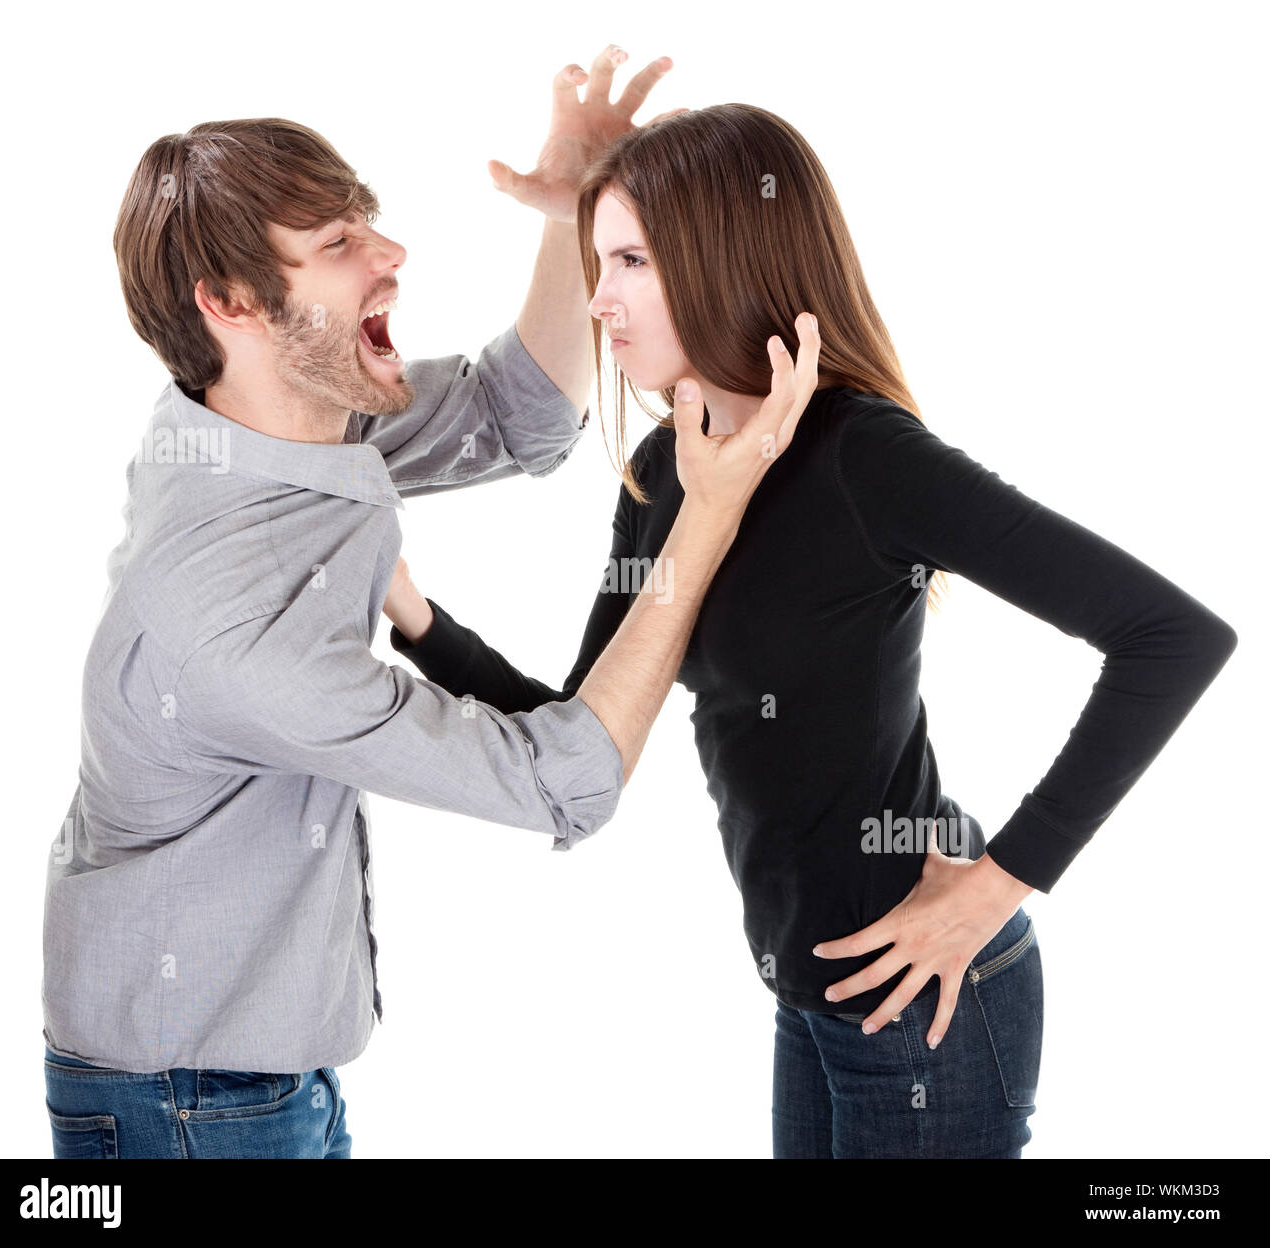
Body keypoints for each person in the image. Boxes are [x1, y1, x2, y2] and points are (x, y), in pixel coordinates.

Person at [382, 102, 1239, 1159]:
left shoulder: (863, 456)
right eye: (595, 261)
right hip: (808, 994)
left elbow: (1171, 637)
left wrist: (1000, 882)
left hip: (925, 997)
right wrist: (411, 613)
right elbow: (579, 731)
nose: (599, 300)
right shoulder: (665, 475)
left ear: (727, 256)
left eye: (630, 261)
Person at [42, 51, 823, 1160]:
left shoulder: (268, 423)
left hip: (253, 1072)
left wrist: (566, 213)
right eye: (337, 246)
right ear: (229, 305)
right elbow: (560, 781)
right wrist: (708, 517)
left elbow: (519, 417)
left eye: (368, 221)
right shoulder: (227, 628)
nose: (392, 255)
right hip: (185, 1104)